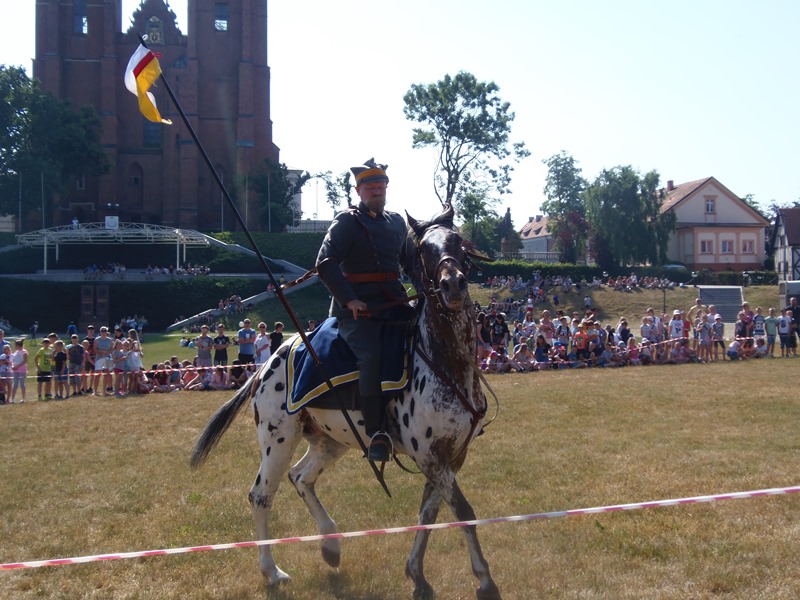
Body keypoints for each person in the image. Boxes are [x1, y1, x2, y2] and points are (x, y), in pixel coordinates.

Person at [315, 158, 414, 462]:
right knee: (371, 356)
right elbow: (325, 263)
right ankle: (376, 432)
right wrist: (350, 300)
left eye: (380, 185)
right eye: (369, 186)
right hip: (358, 312)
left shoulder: (397, 222)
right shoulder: (347, 221)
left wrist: (426, 290)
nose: (376, 190)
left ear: (386, 188)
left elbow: (411, 263)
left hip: (395, 304)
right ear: (358, 190)